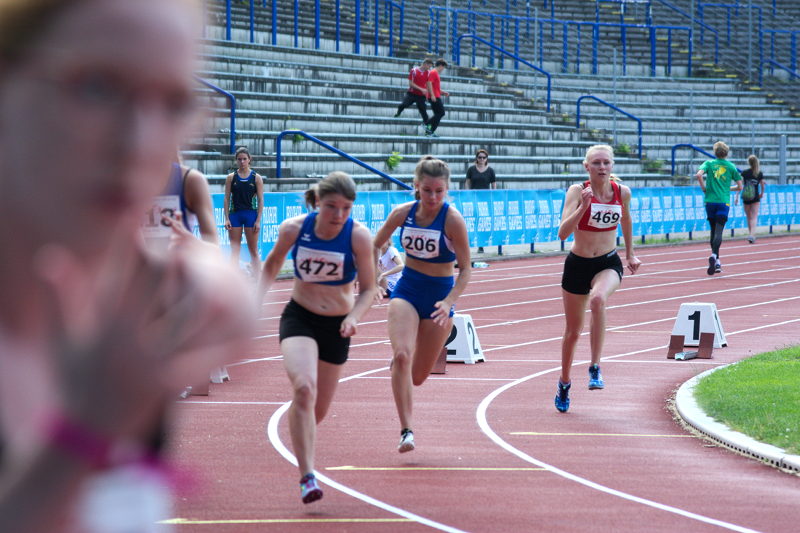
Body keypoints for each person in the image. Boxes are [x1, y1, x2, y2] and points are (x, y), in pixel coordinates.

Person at [0, 1, 255, 532]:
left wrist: (214, 273)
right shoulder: (115, 370)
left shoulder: (124, 326)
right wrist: (84, 437)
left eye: (175, 103)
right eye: (96, 87)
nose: (137, 143)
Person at [259, 172, 377, 504]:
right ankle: (307, 477)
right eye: (331, 207)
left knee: (317, 410)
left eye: (346, 208)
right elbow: (271, 266)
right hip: (300, 317)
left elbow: (369, 288)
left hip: (338, 326)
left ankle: (301, 431)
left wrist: (354, 316)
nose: (338, 215)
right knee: (303, 388)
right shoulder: (294, 229)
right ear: (317, 203)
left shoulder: (358, 237)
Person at [373, 156, 471, 452]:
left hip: (439, 298)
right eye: (427, 191)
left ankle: (403, 367)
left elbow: (465, 269)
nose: (433, 197)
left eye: (439, 191)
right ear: (416, 186)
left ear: (447, 190)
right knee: (401, 356)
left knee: (417, 377)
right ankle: (406, 431)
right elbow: (375, 244)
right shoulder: (403, 213)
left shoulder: (452, 219)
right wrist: (374, 278)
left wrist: (450, 300)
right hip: (407, 291)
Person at [555, 145, 641, 413]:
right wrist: (584, 206)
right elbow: (562, 233)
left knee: (598, 299)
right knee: (572, 333)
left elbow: (626, 221)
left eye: (606, 163)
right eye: (596, 163)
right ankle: (564, 382)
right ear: (587, 166)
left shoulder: (621, 192)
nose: (602, 168)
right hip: (578, 264)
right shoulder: (576, 191)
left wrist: (630, 254)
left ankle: (594, 367)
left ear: (612, 166)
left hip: (607, 261)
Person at [695, 141, 743, 275]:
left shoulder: (709, 164)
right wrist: (728, 188)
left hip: (710, 201)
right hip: (723, 202)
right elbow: (740, 186)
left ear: (715, 152)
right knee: (719, 232)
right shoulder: (731, 166)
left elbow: (698, 175)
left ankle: (717, 262)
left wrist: (704, 188)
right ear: (726, 153)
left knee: (713, 230)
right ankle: (714, 256)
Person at [224, 146, 264, 277]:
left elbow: (261, 200)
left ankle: (259, 279)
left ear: (249, 160)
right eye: (239, 159)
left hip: (250, 215)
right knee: (235, 250)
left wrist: (258, 220)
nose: (242, 162)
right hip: (235, 215)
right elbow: (226, 198)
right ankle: (232, 279)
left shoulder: (256, 177)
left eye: (244, 159)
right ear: (236, 160)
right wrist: (227, 218)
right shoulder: (231, 177)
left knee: (253, 250)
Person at [465, 149, 497, 254]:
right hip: (474, 199)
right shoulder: (471, 169)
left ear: (486, 159)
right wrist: (467, 195)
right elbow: (467, 183)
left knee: (483, 222)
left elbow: (494, 186)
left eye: (484, 157)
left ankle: (481, 244)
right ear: (476, 158)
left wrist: (493, 198)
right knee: (474, 221)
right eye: (480, 157)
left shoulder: (491, 170)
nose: (482, 159)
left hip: (485, 201)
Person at [735, 154, 766, 244]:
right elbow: (762, 185)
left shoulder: (744, 173)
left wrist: (737, 196)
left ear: (749, 163)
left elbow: (739, 185)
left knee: (749, 217)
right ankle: (752, 235)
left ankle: (751, 234)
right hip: (755, 196)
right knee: (754, 217)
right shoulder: (759, 173)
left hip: (746, 196)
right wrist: (762, 193)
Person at [393, 58, 433, 126]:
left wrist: (428, 94)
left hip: (421, 96)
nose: (429, 68)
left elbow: (428, 84)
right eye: (429, 66)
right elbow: (411, 84)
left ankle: (427, 125)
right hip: (412, 93)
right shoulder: (414, 70)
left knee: (423, 110)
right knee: (404, 105)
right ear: (425, 64)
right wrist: (421, 89)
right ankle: (399, 112)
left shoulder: (429, 73)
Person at [424, 59, 449, 138]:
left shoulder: (435, 73)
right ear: (441, 66)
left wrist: (443, 92)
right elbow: (429, 83)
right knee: (441, 113)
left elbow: (435, 87)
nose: (443, 69)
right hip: (434, 97)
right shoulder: (433, 72)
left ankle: (429, 132)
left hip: (436, 95)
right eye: (443, 67)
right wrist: (432, 95)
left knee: (437, 115)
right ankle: (426, 124)